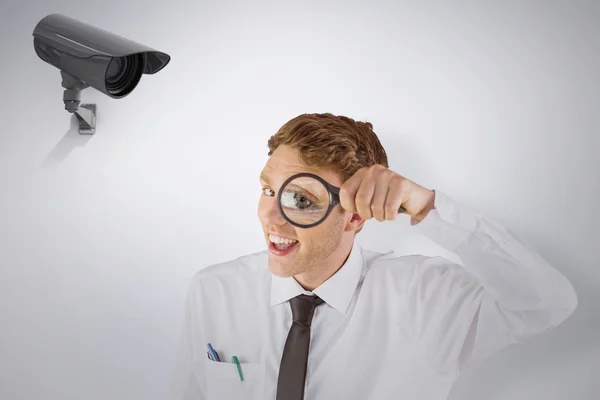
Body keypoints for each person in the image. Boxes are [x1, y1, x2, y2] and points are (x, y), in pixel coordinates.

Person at [168, 113, 578, 400]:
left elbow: (547, 302)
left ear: (355, 218)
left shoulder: (425, 299)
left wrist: (428, 207)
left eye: (301, 199)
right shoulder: (215, 290)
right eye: (268, 190)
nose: (270, 216)